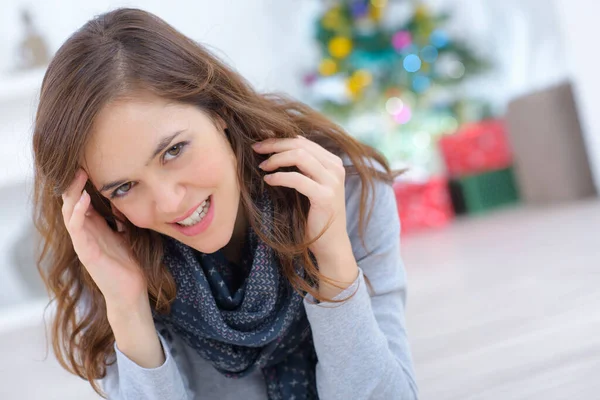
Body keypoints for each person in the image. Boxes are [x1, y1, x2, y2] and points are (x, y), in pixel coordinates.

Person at [32, 8, 418, 400]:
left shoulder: (342, 191)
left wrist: (333, 260)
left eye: (173, 150)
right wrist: (129, 310)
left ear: (218, 113)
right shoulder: (105, 260)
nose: (169, 202)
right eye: (125, 187)